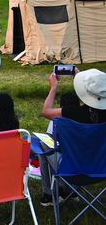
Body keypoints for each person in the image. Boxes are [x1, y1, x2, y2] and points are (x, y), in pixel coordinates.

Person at [38, 68, 106, 206]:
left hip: (72, 167)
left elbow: (45, 111)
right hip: (102, 167)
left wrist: (53, 87)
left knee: (43, 142)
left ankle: (50, 194)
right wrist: (80, 78)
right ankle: (69, 191)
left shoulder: (73, 113)